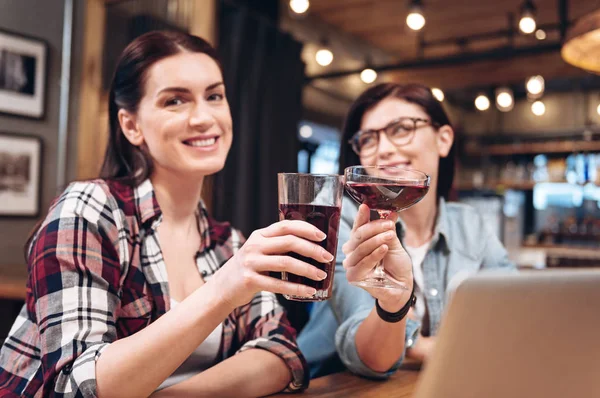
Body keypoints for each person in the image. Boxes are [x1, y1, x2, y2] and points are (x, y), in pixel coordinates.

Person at [0, 31, 326, 397]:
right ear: (131, 126)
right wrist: (222, 289)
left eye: (214, 96)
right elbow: (73, 386)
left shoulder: (228, 243)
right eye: (175, 101)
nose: (205, 117)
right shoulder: (90, 210)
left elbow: (283, 354)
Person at [298, 83, 516, 379]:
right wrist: (431, 342)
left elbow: (516, 311)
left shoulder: (469, 224)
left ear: (444, 139)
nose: (385, 149)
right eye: (368, 139)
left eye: (401, 129)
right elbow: (373, 357)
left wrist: (427, 346)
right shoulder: (343, 223)